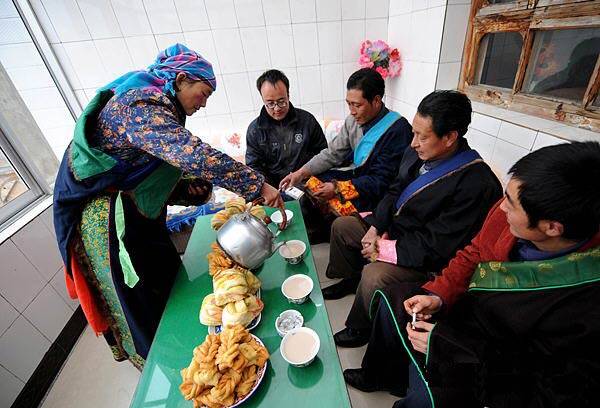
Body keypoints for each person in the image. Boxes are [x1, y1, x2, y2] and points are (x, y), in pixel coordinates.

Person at [53, 44, 282, 369]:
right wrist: (258, 185)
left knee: (168, 276)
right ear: (181, 78)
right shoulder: (139, 104)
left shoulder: (162, 109)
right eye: (202, 93)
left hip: (142, 215)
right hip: (111, 222)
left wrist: (193, 189)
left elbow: (152, 169)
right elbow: (194, 155)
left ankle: (189, 348)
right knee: (140, 296)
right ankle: (162, 368)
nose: (203, 103)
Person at [345, 142, 600, 408]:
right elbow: (474, 252)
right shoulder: (510, 214)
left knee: (427, 400)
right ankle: (382, 377)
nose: (501, 209)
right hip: (466, 311)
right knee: (395, 298)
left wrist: (446, 346)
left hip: (490, 361)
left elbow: (537, 383)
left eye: (511, 205)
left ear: (552, 227)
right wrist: (438, 295)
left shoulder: (584, 308)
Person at [324, 90, 502, 348]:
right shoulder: (417, 152)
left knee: (376, 274)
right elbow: (394, 190)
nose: (413, 143)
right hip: (396, 232)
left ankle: (360, 326)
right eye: (414, 133)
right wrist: (376, 227)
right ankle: (351, 279)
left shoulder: (475, 183)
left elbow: (438, 245)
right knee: (344, 226)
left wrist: (384, 250)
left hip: (424, 256)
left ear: (450, 137)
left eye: (422, 136)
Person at [279, 68, 413, 215]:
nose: (352, 111)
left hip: (373, 191)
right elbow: (332, 154)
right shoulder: (353, 121)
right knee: (303, 188)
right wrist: (300, 173)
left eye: (357, 105)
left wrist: (337, 189)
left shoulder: (398, 131)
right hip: (355, 177)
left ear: (376, 100)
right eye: (349, 104)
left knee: (327, 205)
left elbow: (381, 181)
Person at [245, 69, 327, 188]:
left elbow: (322, 154)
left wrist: (306, 177)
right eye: (270, 103)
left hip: (307, 184)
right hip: (274, 190)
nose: (277, 108)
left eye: (281, 101)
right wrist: (269, 188)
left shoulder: (307, 121)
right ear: (263, 100)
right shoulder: (255, 130)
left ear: (288, 95)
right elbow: (254, 166)